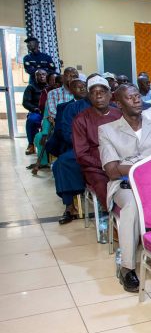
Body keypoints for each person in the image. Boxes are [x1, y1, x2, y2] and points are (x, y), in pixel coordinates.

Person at [98, 84, 151, 291]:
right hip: (125, 185)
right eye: (130, 98)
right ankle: (127, 267)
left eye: (137, 96)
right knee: (132, 206)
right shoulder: (107, 130)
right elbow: (112, 170)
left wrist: (130, 166)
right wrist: (147, 167)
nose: (137, 100)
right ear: (119, 104)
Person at [72, 76, 122, 212]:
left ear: (110, 94)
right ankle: (115, 217)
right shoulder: (81, 120)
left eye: (102, 92)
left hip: (123, 163)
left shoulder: (120, 115)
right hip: (96, 168)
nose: (98, 96)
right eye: (94, 93)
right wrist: (106, 164)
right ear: (89, 97)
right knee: (103, 186)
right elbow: (81, 154)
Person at [51, 76, 89, 225]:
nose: (82, 88)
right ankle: (69, 206)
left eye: (84, 85)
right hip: (80, 146)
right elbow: (66, 133)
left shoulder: (102, 105)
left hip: (104, 147)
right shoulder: (69, 108)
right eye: (78, 86)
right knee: (62, 163)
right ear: (70, 90)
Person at [22, 68, 47, 155]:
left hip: (49, 112)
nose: (41, 76)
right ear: (35, 77)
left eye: (43, 74)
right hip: (37, 112)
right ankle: (31, 145)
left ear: (46, 76)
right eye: (39, 75)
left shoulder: (50, 87)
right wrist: (35, 109)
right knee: (31, 120)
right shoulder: (31, 87)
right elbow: (25, 102)